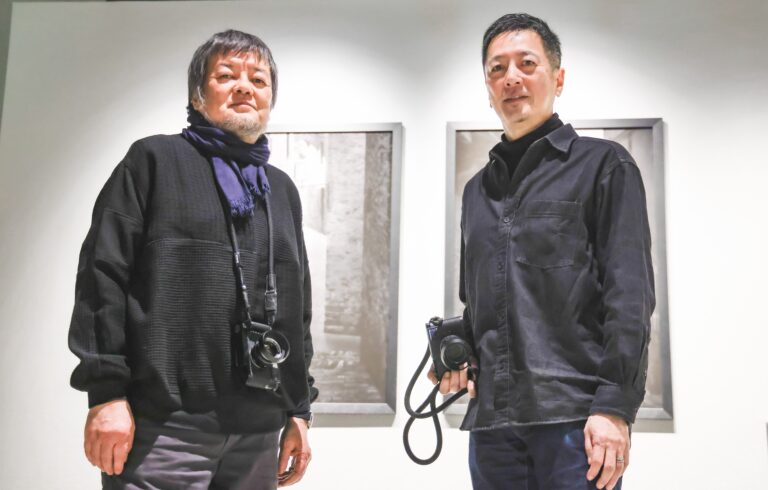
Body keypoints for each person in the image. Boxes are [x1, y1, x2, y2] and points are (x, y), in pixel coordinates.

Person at [68, 29, 316, 490]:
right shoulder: (153, 161)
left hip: (259, 433)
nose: (244, 87)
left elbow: (295, 310)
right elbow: (102, 277)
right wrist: (106, 394)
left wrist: (298, 410)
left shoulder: (280, 190)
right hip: (163, 429)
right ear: (197, 96)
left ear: (270, 99)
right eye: (226, 76)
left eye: (258, 80)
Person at [429, 13, 654, 490]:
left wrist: (614, 407)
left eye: (526, 63)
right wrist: (458, 355)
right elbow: (478, 305)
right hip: (492, 426)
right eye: (497, 69)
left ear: (558, 77)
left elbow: (630, 298)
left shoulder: (604, 166)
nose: (511, 78)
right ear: (488, 89)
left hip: (576, 421)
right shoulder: (476, 191)